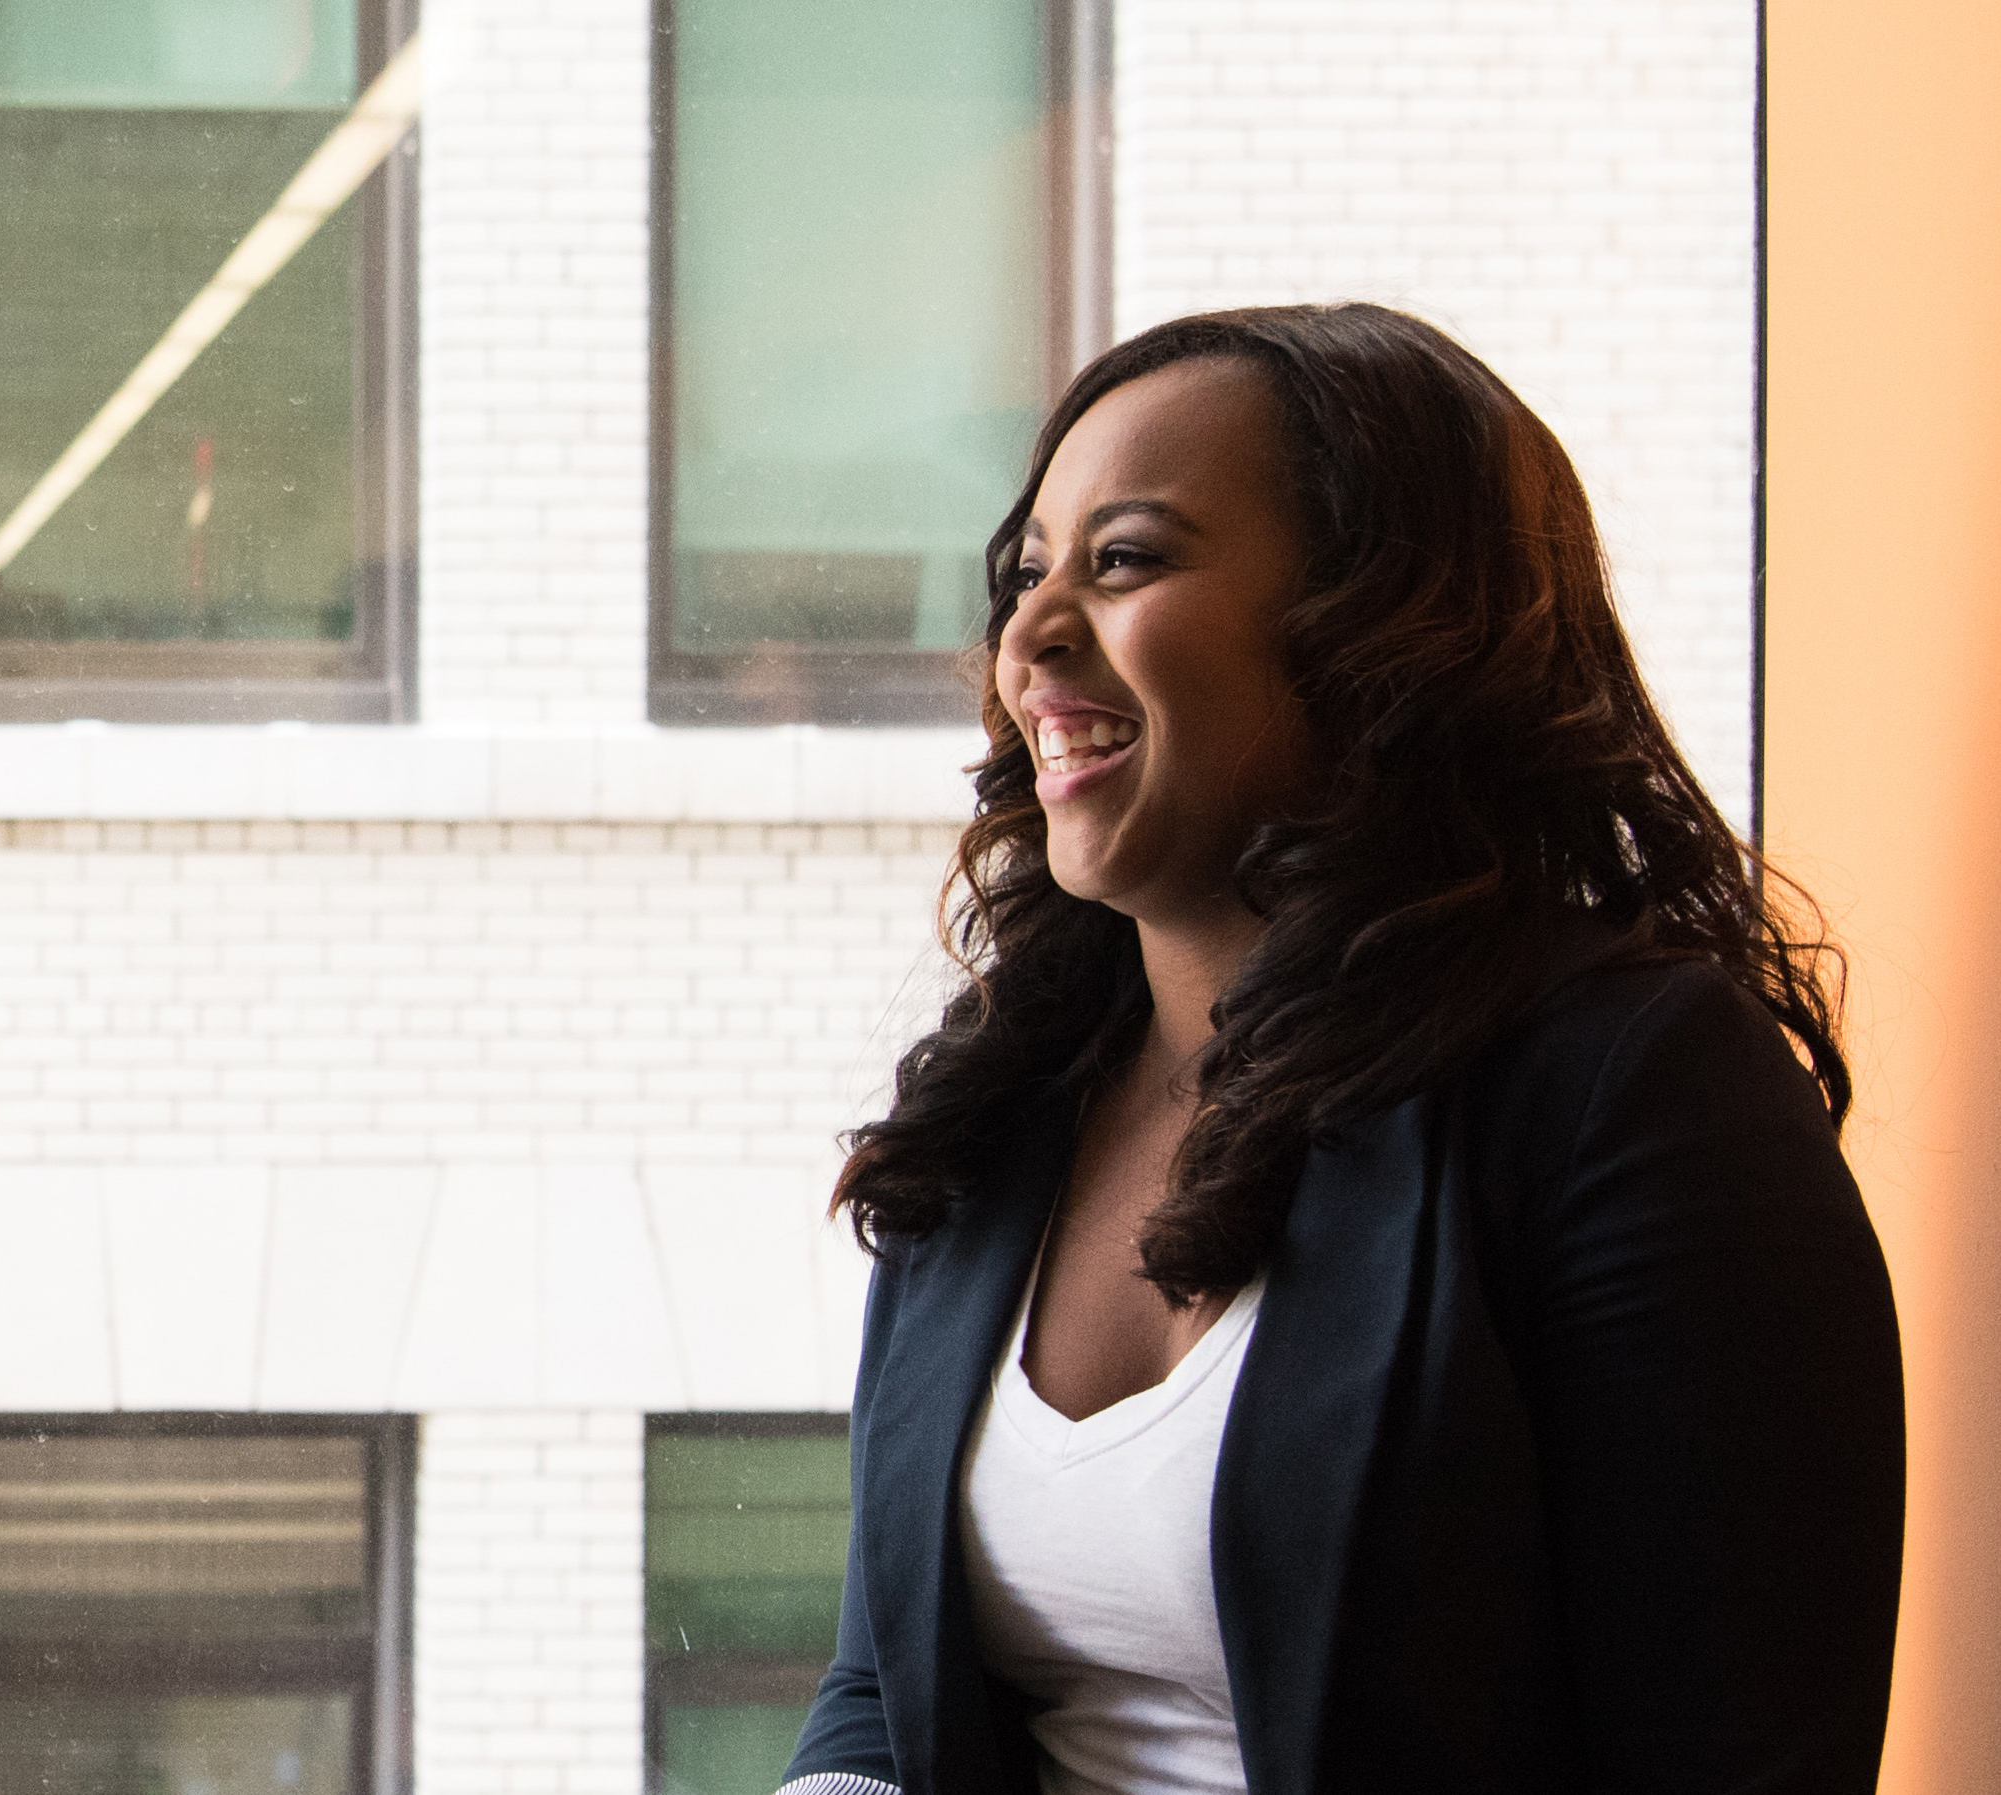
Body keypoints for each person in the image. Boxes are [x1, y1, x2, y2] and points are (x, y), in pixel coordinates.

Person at [779, 303, 1902, 1795]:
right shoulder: (1001, 1102)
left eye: (1122, 561)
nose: (1031, 637)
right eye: (1024, 572)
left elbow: (1737, 1750)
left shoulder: (1629, 1089)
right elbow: (882, 1685)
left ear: (1384, 632)